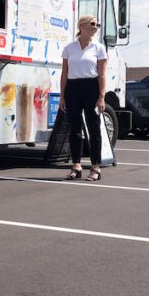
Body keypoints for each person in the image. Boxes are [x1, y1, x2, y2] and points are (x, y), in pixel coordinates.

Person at [60, 14, 108, 181]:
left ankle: (95, 167)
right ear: (82, 26)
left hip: (91, 88)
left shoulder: (99, 48)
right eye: (92, 24)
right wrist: (62, 96)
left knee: (94, 128)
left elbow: (102, 75)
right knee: (75, 129)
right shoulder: (69, 48)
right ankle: (76, 165)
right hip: (73, 88)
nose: (95, 27)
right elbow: (64, 73)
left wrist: (101, 96)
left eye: (97, 25)